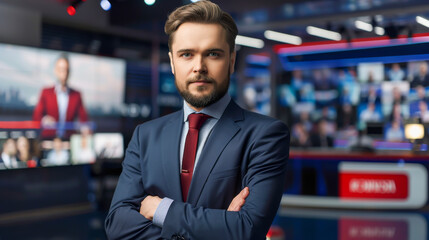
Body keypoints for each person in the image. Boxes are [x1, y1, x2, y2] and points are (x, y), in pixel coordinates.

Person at [105, 1, 290, 239]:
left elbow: (247, 229)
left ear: (231, 61)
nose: (199, 67)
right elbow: (117, 225)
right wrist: (217, 226)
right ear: (172, 63)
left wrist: (161, 210)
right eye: (186, 54)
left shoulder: (265, 135)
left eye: (213, 54)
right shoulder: (145, 136)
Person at [33, 53, 88, 139]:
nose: (64, 73)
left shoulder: (76, 95)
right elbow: (36, 117)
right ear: (55, 70)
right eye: (61, 69)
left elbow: (84, 120)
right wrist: (44, 120)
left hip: (69, 140)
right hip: (50, 140)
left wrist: (84, 128)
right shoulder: (46, 92)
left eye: (66, 70)